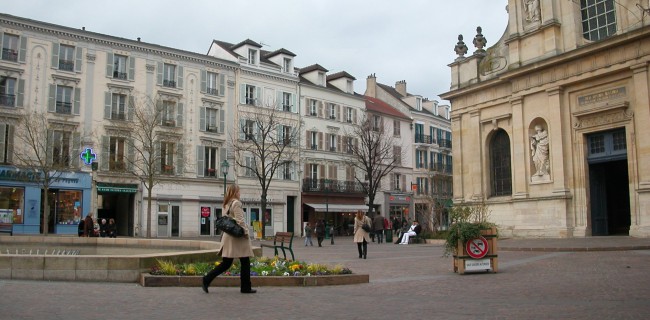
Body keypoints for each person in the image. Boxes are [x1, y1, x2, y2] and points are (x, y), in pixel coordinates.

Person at [202, 184, 256, 294]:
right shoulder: (236, 203)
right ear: (235, 192)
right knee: (245, 261)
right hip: (238, 237)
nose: (240, 193)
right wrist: (246, 233)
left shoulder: (226, 204)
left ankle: (207, 279)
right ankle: (245, 287)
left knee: (226, 263)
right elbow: (240, 221)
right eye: (239, 191)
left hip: (228, 236)